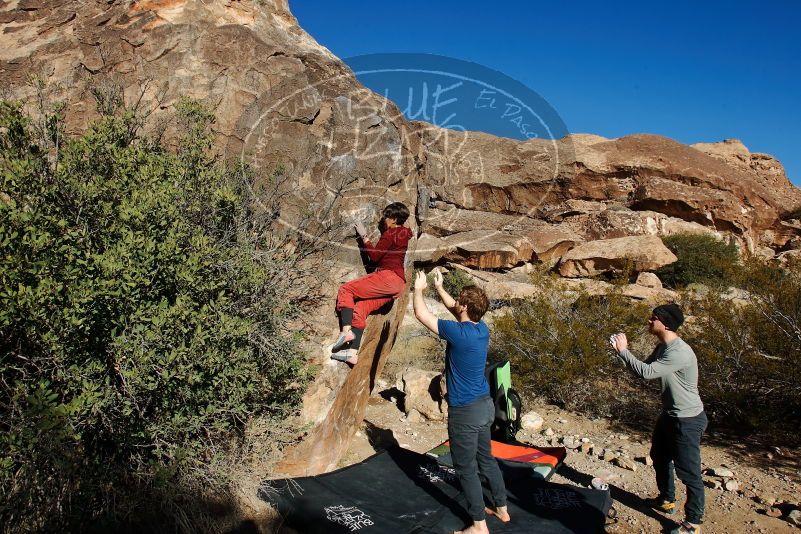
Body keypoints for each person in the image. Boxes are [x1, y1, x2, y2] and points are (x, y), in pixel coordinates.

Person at [412, 269, 509, 534]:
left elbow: (422, 315)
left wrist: (419, 289)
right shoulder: (481, 328)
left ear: (465, 306)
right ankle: (502, 508)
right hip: (484, 406)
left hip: (465, 412)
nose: (457, 306)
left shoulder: (458, 332)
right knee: (486, 459)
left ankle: (479, 526)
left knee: (465, 469)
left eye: (460, 303)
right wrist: (440, 288)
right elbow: (458, 309)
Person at [610, 303, 707, 534]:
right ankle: (667, 500)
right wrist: (621, 353)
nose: (649, 321)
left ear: (665, 322)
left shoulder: (679, 352)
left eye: (653, 318)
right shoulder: (662, 347)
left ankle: (693, 522)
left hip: (688, 420)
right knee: (659, 457)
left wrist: (624, 351)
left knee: (689, 472)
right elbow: (644, 368)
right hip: (670, 415)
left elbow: (646, 372)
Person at [331, 202, 412, 365]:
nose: (384, 220)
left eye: (386, 217)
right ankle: (352, 353)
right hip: (398, 285)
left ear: (394, 219)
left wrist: (364, 236)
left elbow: (374, 257)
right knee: (360, 309)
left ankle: (346, 332)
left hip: (388, 277)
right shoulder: (404, 234)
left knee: (346, 290)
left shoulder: (391, 233)